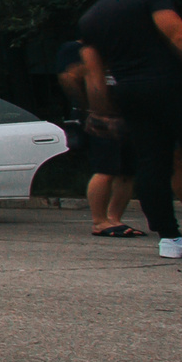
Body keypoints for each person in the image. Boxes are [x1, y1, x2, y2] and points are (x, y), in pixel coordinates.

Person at [77, 0, 182, 253]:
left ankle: (170, 237)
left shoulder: (89, 19)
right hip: (171, 83)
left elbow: (94, 75)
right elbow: (177, 34)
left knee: (152, 163)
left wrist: (102, 111)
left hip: (129, 92)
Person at [58, 36, 141, 237]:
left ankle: (114, 218)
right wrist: (86, 106)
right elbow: (68, 78)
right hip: (100, 117)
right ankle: (99, 220)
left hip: (126, 114)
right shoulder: (77, 49)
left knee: (127, 172)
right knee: (105, 168)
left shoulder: (118, 48)